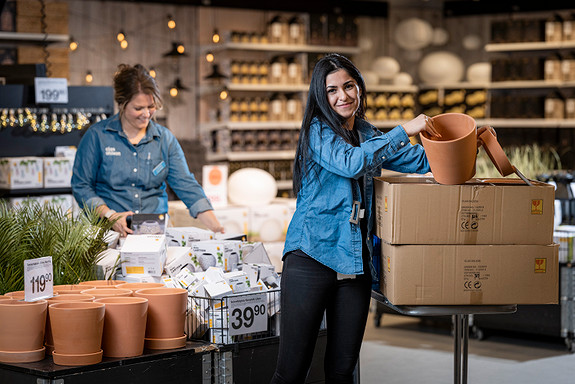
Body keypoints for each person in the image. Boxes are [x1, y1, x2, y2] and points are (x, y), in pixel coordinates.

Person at [269, 53, 442, 384]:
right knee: (292, 370)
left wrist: (462, 143)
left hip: (355, 263)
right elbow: (350, 163)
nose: (342, 96)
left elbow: (420, 162)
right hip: (312, 257)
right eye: (332, 90)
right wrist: (404, 129)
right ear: (321, 96)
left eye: (349, 86)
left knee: (342, 369)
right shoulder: (316, 132)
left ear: (359, 88)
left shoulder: (367, 132)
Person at [71, 63, 224, 236]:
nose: (146, 114)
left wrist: (217, 228)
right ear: (122, 104)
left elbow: (186, 185)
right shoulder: (97, 136)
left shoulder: (164, 139)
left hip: (155, 232)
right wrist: (109, 215)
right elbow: (81, 186)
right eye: (138, 108)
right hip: (108, 234)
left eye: (151, 107)